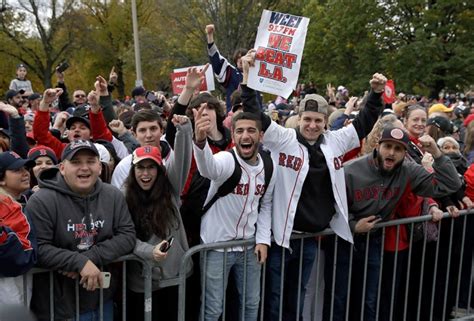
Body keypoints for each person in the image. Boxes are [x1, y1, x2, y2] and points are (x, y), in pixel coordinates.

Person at [240, 51, 386, 321]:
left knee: (297, 296)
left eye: (318, 120)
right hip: (282, 237)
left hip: (309, 238)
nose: (312, 125)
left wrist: (375, 94)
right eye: (307, 119)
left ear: (325, 122)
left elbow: (364, 123)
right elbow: (255, 115)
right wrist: (248, 81)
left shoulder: (334, 141)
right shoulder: (284, 139)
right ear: (300, 118)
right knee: (274, 298)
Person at [323, 127, 462, 321]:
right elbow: (329, 206)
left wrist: (437, 153)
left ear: (405, 153)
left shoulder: (408, 169)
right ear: (378, 146)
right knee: (339, 298)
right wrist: (353, 225)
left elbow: (450, 184)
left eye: (398, 149)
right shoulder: (351, 170)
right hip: (343, 240)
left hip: (374, 239)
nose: (391, 152)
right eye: (387, 146)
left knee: (369, 299)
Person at [25, 139, 136, 320]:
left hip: (102, 300)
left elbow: (128, 236)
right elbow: (38, 248)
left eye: (90, 162)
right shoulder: (41, 201)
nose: (84, 168)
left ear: (99, 167)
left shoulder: (113, 195)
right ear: (62, 168)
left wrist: (88, 258)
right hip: (59, 307)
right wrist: (78, 263)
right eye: (76, 162)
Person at [193, 109, 275, 321]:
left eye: (251, 130)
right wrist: (200, 142)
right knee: (213, 309)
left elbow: (265, 205)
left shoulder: (268, 165)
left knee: (251, 305)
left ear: (261, 135)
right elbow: (207, 169)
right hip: (217, 247)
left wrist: (263, 240)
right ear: (233, 135)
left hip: (249, 246)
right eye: (239, 131)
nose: (245, 136)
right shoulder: (226, 160)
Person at [125, 113, 192, 321]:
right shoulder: (123, 195)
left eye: (151, 167)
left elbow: (181, 160)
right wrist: (148, 251)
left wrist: (184, 130)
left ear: (160, 170)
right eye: (141, 168)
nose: (146, 173)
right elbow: (123, 235)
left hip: (176, 275)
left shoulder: (170, 189)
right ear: (133, 170)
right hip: (142, 279)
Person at [0, 151, 37, 305]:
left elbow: (26, 254)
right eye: (16, 170)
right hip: (8, 293)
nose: (25, 174)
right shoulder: (7, 205)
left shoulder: (18, 203)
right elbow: (27, 253)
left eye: (25, 169)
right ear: (1, 179)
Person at [206, 24, 258, 111]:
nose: (241, 60)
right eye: (238, 58)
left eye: (243, 57)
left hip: (254, 113)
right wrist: (210, 36)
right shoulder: (231, 72)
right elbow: (216, 60)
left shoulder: (256, 74)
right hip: (235, 114)